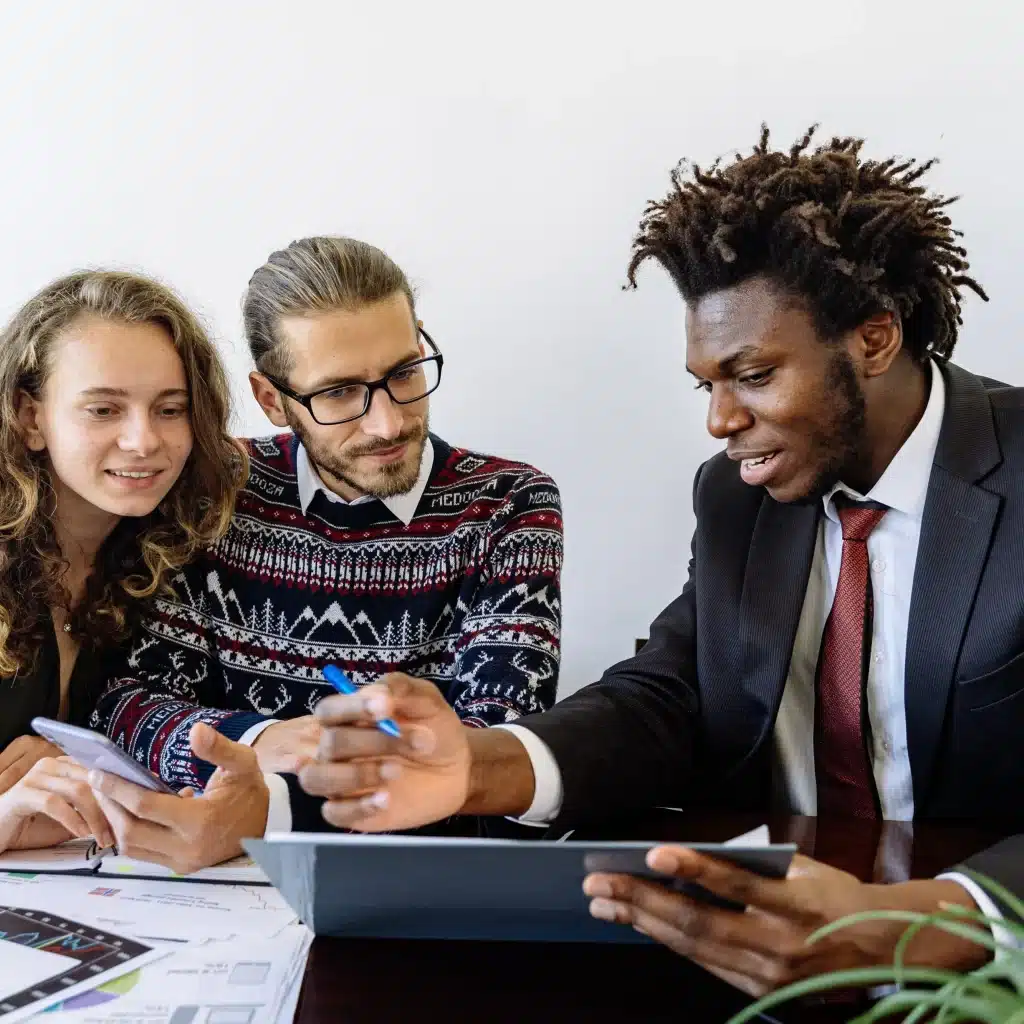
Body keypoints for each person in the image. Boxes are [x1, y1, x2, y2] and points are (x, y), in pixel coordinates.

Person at [295, 128, 1024, 994]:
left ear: (873, 339)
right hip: (756, 963)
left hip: (977, 976)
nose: (719, 421)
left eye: (751, 374)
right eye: (705, 384)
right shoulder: (737, 497)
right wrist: (478, 767)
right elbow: (668, 695)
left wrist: (929, 924)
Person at [90, 236, 563, 851]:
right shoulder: (212, 490)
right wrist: (265, 739)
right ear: (272, 401)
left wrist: (268, 803)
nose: (388, 422)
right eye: (338, 392)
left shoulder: (509, 504)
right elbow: (123, 707)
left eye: (405, 374)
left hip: (410, 885)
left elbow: (496, 757)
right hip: (220, 886)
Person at [0, 270, 250, 861]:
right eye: (104, 409)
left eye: (170, 409)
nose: (143, 441)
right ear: (31, 418)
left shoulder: (183, 558)